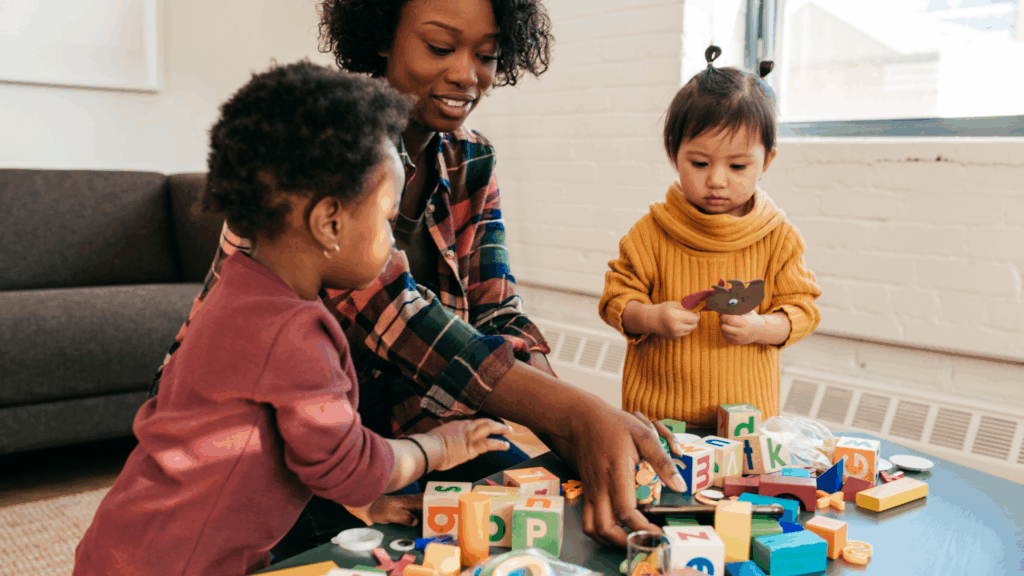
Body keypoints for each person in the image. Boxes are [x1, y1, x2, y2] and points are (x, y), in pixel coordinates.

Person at [151, 0, 686, 555]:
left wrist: (577, 427)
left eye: (487, 54)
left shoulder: (472, 160)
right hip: (271, 441)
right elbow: (402, 318)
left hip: (414, 422)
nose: (465, 74)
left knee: (532, 513)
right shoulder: (312, 153)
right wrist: (579, 413)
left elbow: (496, 309)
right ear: (383, 36)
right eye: (439, 47)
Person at [73, 61, 516, 576]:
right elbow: (349, 464)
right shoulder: (296, 335)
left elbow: (283, 439)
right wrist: (440, 446)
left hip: (127, 543)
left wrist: (364, 503)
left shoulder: (237, 293)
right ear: (330, 222)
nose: (393, 237)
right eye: (388, 217)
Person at [599, 46, 822, 427]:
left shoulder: (778, 237)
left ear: (766, 162)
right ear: (675, 155)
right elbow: (615, 301)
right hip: (658, 421)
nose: (717, 180)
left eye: (738, 165)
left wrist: (760, 327)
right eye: (700, 163)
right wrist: (651, 317)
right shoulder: (650, 232)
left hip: (746, 424)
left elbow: (802, 311)